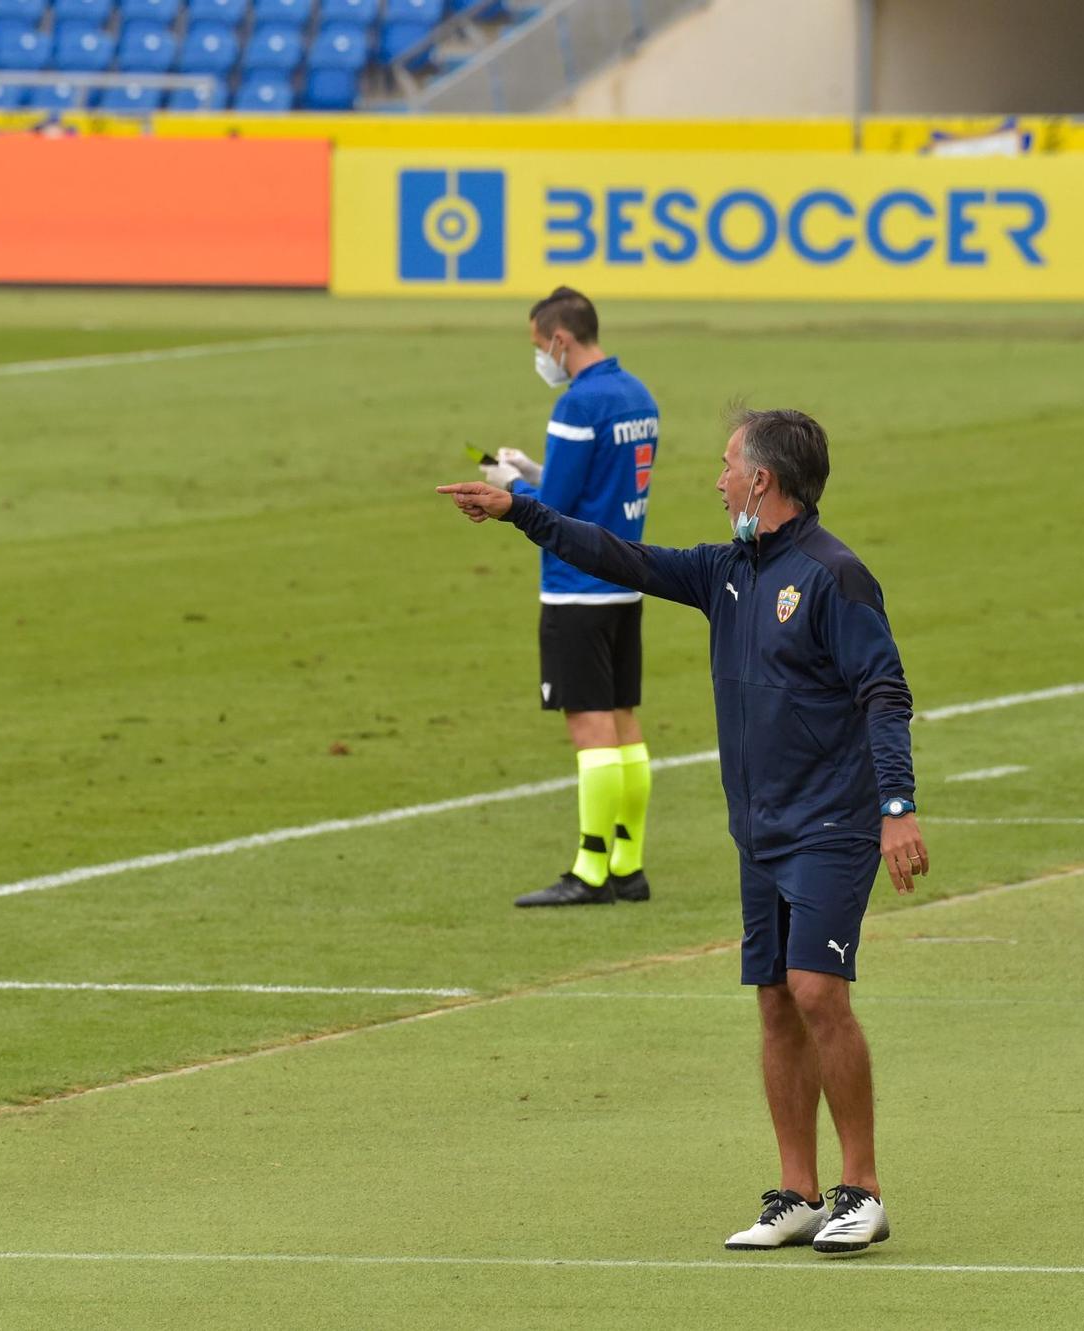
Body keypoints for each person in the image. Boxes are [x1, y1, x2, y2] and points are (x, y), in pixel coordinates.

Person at [438, 406, 926, 1256]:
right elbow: (620, 557)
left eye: (728, 464)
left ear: (763, 481)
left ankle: (864, 1189)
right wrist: (522, 512)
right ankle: (798, 1194)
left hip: (830, 823)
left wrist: (897, 808)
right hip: (759, 828)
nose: (719, 478)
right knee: (776, 1000)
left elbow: (883, 690)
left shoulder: (832, 575)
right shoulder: (727, 570)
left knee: (817, 991)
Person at [478, 287, 662, 908]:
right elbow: (592, 484)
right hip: (624, 578)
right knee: (624, 723)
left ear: (560, 339)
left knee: (589, 730)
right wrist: (534, 470)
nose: (540, 359)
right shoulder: (637, 395)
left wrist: (508, 487)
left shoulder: (577, 405)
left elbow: (553, 510)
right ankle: (629, 865)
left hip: (574, 589)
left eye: (538, 345)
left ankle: (589, 872)